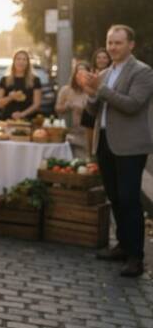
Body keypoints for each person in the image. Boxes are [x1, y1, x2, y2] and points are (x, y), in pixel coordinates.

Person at [81, 25, 153, 278]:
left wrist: (100, 90)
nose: (112, 47)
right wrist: (91, 95)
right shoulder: (105, 72)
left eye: (118, 43)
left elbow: (132, 105)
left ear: (131, 45)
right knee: (114, 196)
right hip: (105, 143)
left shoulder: (143, 72)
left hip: (130, 146)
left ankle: (136, 257)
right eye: (110, 42)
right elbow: (93, 110)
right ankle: (123, 246)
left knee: (129, 199)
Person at [55, 61, 93, 156]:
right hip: (67, 133)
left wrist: (84, 110)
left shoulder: (91, 92)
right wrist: (67, 106)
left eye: (84, 73)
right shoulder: (66, 90)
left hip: (85, 135)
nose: (81, 76)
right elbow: (57, 108)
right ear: (74, 75)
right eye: (78, 73)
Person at [0, 49, 42, 120]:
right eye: (18, 59)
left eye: (24, 59)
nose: (21, 62)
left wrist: (22, 114)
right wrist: (11, 97)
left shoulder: (35, 80)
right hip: (7, 119)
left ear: (28, 63)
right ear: (14, 61)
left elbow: (37, 104)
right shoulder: (4, 80)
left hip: (28, 119)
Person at [80, 47, 111, 149]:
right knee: (90, 143)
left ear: (109, 59)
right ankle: (90, 159)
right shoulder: (89, 73)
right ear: (95, 59)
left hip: (105, 109)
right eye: (99, 57)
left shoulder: (111, 74)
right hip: (90, 109)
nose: (101, 60)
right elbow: (85, 89)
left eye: (104, 57)